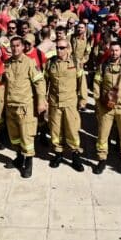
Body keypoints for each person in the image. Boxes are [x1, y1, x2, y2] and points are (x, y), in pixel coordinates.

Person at [0, 36, 47, 178]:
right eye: (12, 46)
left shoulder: (29, 63)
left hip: (24, 107)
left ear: (22, 47)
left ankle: (29, 163)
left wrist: (40, 101)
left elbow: (40, 82)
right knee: (14, 137)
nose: (15, 48)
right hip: (10, 106)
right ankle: (19, 158)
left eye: (17, 45)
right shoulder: (6, 64)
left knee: (26, 137)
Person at [93, 40, 121, 175]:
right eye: (112, 50)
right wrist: (98, 103)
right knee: (103, 136)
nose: (114, 53)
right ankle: (102, 160)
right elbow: (96, 84)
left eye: (117, 50)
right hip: (106, 108)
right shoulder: (103, 66)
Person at [44, 38, 85, 172]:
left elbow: (81, 82)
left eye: (62, 48)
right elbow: (45, 82)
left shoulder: (75, 63)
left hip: (70, 102)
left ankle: (75, 155)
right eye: (57, 48)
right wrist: (43, 99)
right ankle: (58, 154)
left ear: (68, 48)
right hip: (54, 102)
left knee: (72, 130)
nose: (59, 50)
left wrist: (83, 99)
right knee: (55, 130)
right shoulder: (50, 63)